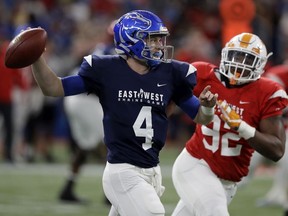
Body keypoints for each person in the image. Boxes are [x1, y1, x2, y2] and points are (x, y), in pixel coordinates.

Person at [30, 10, 218, 216]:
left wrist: (208, 107)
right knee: (153, 213)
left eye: (161, 40)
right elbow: (54, 88)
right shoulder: (107, 69)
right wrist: (36, 58)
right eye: (153, 40)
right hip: (123, 170)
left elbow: (201, 118)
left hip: (152, 170)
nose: (160, 46)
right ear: (132, 40)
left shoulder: (171, 73)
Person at [171, 32, 288, 216]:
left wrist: (241, 127)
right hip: (196, 164)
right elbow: (167, 95)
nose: (239, 63)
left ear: (260, 64)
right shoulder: (203, 74)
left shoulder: (267, 92)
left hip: (228, 182)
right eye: (236, 55)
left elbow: (277, 151)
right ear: (225, 54)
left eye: (247, 59)